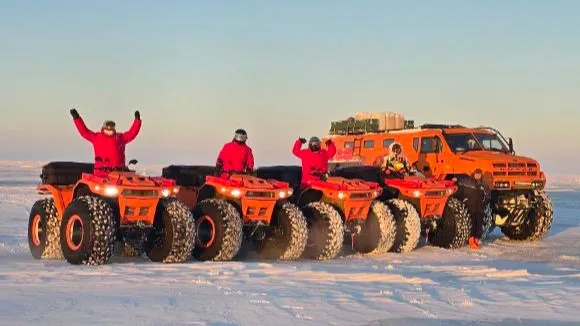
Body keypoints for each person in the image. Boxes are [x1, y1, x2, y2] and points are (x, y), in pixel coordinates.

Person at [70, 108, 142, 177]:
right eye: (108, 127)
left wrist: (137, 121)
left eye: (112, 127)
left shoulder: (120, 137)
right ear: (104, 127)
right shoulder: (97, 137)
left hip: (119, 174)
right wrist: (77, 118)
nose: (109, 128)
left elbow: (132, 134)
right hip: (101, 174)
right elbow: (84, 132)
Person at [454, 169, 491, 250]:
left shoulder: (484, 185)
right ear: (473, 174)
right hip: (470, 207)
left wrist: (483, 203)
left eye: (479, 174)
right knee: (472, 224)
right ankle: (471, 241)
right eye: (476, 174)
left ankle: (476, 240)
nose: (477, 176)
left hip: (480, 208)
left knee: (479, 225)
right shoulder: (469, 182)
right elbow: (460, 181)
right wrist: (456, 179)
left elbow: (488, 196)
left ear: (481, 175)